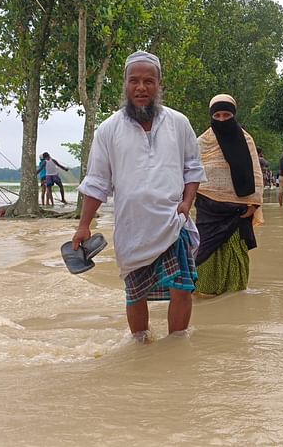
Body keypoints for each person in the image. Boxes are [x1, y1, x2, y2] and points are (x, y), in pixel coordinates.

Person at [72, 51, 206, 341]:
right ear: (125, 85)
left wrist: (186, 203)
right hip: (132, 228)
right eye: (134, 81)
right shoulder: (108, 130)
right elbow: (96, 182)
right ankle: (140, 346)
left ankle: (177, 346)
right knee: (135, 294)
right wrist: (84, 225)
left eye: (148, 81)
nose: (141, 87)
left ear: (159, 84)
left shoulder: (179, 123)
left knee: (182, 287)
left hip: (172, 222)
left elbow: (193, 168)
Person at [194, 94, 264, 296]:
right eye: (218, 115)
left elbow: (256, 174)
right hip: (208, 210)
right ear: (211, 116)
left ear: (233, 115)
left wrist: (254, 204)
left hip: (239, 211)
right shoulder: (201, 143)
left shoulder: (246, 140)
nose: (223, 119)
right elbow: (190, 174)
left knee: (236, 256)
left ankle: (234, 299)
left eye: (227, 115)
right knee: (203, 256)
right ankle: (204, 297)